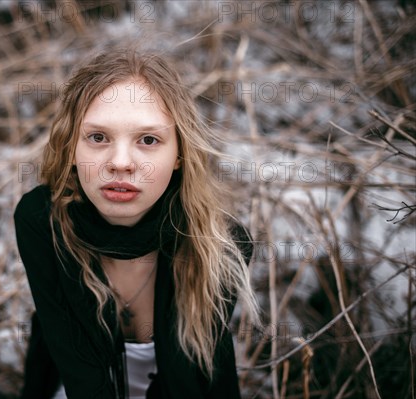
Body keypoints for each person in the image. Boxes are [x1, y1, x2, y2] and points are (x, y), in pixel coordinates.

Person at [13, 48, 259, 399]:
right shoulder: (43, 220)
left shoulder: (219, 242)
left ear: (179, 155)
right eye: (98, 137)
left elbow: (188, 382)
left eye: (148, 140)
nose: (121, 163)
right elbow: (81, 371)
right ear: (71, 147)